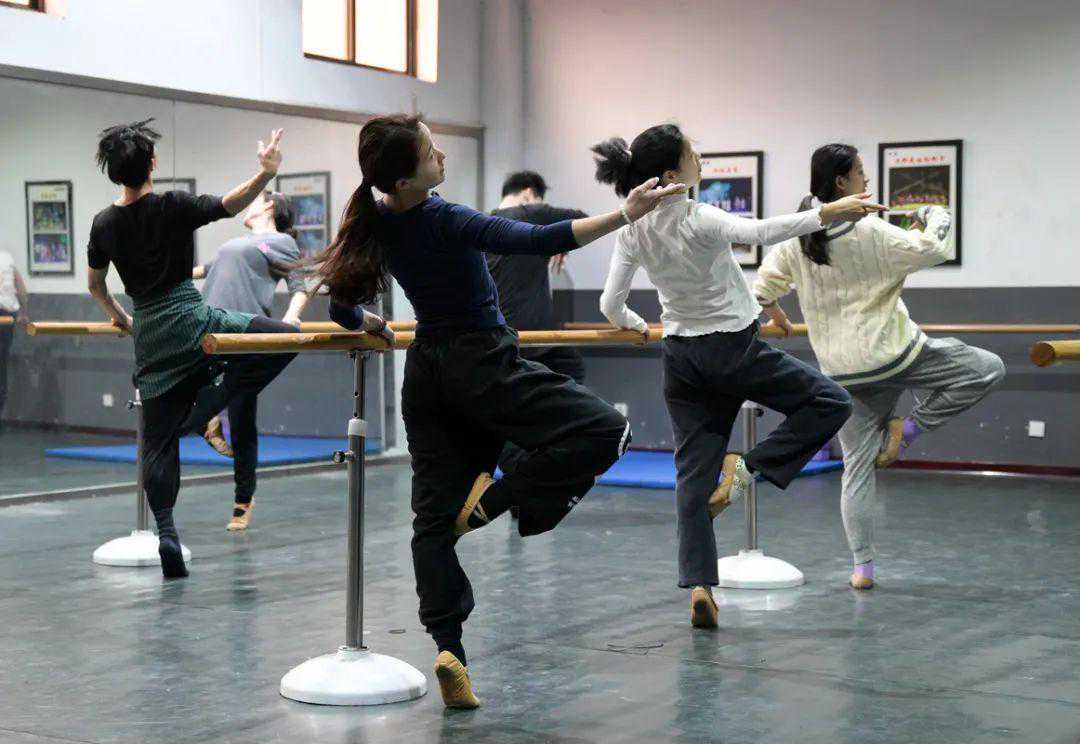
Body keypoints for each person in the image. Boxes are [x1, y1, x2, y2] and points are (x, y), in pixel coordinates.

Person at [317, 114, 683, 709]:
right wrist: (627, 214)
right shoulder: (444, 218)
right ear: (407, 179)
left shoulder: (375, 223)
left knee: (431, 524)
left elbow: (340, 309)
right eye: (431, 153)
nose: (442, 157)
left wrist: (372, 322)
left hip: (428, 375)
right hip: (484, 364)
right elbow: (540, 239)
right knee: (609, 430)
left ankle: (450, 651)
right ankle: (494, 503)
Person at [594, 124, 882, 630]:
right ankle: (746, 470)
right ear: (672, 175)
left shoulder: (633, 230)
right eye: (692, 153)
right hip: (733, 351)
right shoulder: (699, 218)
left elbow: (610, 306)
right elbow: (762, 233)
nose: (700, 158)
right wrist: (830, 212)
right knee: (831, 402)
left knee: (692, 475)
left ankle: (699, 586)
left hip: (681, 358)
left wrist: (639, 326)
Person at [753, 143, 1005, 590]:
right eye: (860, 173)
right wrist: (933, 213)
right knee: (987, 368)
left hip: (843, 371)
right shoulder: (869, 229)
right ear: (841, 182)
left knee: (857, 469)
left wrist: (779, 317)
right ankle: (909, 429)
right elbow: (934, 248)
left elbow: (761, 291)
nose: (866, 180)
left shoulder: (797, 236)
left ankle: (862, 569)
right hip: (896, 355)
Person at [87, 119, 329, 579]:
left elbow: (96, 285)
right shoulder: (173, 205)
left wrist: (122, 318)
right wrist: (266, 172)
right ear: (152, 163)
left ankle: (166, 532)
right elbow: (228, 204)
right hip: (194, 321)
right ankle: (209, 407)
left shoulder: (104, 224)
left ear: (113, 172)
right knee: (285, 338)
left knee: (158, 445)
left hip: (151, 336)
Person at [192, 190, 309, 531]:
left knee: (242, 421)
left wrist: (290, 320)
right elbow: (206, 270)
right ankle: (209, 418)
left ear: (269, 205)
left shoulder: (280, 242)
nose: (247, 205)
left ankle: (243, 500)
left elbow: (299, 285)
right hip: (210, 329)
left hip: (243, 333)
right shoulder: (238, 244)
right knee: (209, 400)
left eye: (255, 199)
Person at [488, 171, 587, 484]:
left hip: (501, 338)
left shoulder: (484, 224)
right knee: (568, 375)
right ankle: (530, 465)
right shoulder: (532, 214)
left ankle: (530, 459)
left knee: (559, 374)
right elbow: (582, 218)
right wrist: (561, 240)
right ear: (529, 194)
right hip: (530, 338)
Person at [0, 249, 30, 431]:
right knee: (2, 366)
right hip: (7, 315)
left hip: (5, 314)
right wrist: (23, 313)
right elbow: (21, 289)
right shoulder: (7, 259)